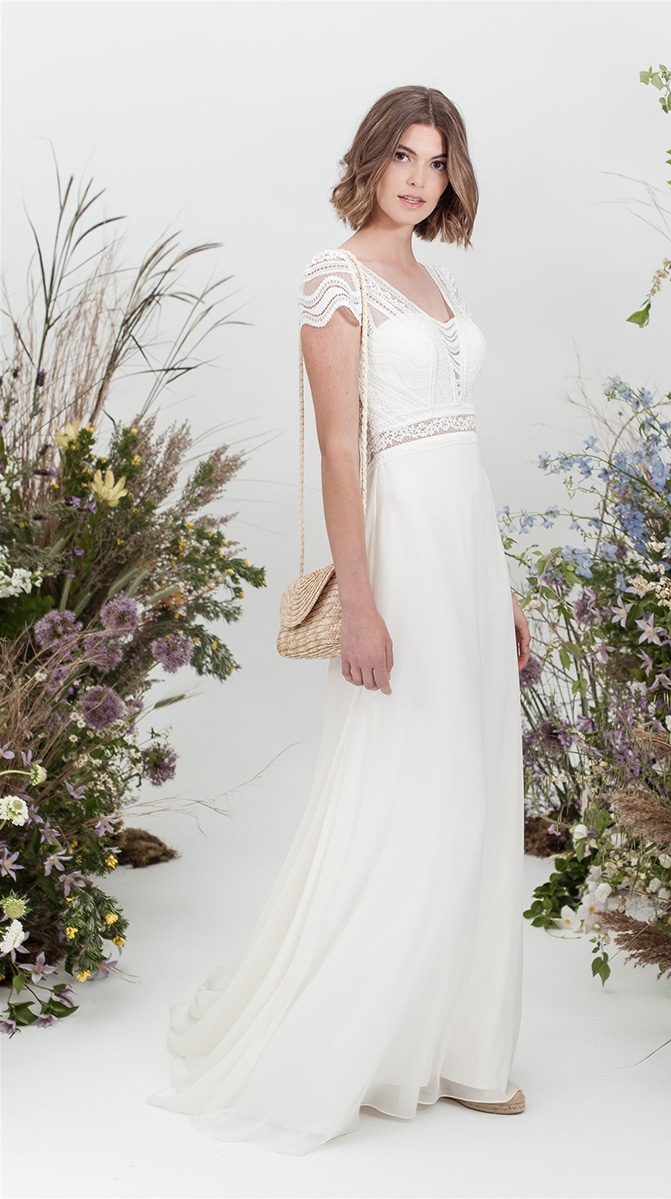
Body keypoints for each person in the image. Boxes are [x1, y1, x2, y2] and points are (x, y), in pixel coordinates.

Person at [149, 84, 531, 1156]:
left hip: (465, 547)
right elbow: (336, 448)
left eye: (437, 160)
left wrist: (502, 586)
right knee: (412, 779)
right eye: (402, 156)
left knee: (473, 783)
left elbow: (462, 442)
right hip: (399, 552)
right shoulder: (336, 279)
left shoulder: (436, 278)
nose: (419, 178)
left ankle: (457, 1043)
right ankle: (356, 1042)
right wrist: (359, 603)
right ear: (368, 161)